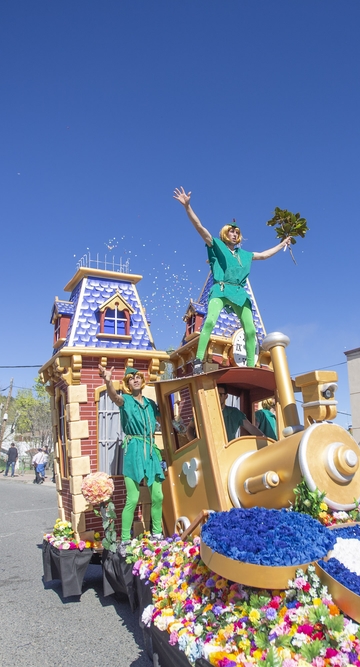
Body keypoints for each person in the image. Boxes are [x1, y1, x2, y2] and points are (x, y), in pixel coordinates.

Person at [174, 187, 291, 372]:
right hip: (220, 289)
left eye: (237, 232)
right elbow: (200, 228)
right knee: (210, 321)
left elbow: (263, 255)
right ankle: (197, 360)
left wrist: (282, 244)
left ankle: (252, 366)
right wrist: (188, 207)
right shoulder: (217, 245)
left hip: (239, 292)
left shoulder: (244, 254)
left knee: (251, 330)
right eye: (231, 231)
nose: (235, 234)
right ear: (225, 233)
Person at [98, 364, 164, 542]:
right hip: (133, 448)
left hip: (150, 449)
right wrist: (108, 381)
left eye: (138, 377)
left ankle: (157, 533)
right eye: (131, 378)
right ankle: (126, 538)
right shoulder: (126, 400)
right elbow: (114, 397)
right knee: (133, 498)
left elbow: (166, 419)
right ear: (128, 383)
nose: (135, 379)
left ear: (142, 381)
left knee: (158, 495)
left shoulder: (151, 404)